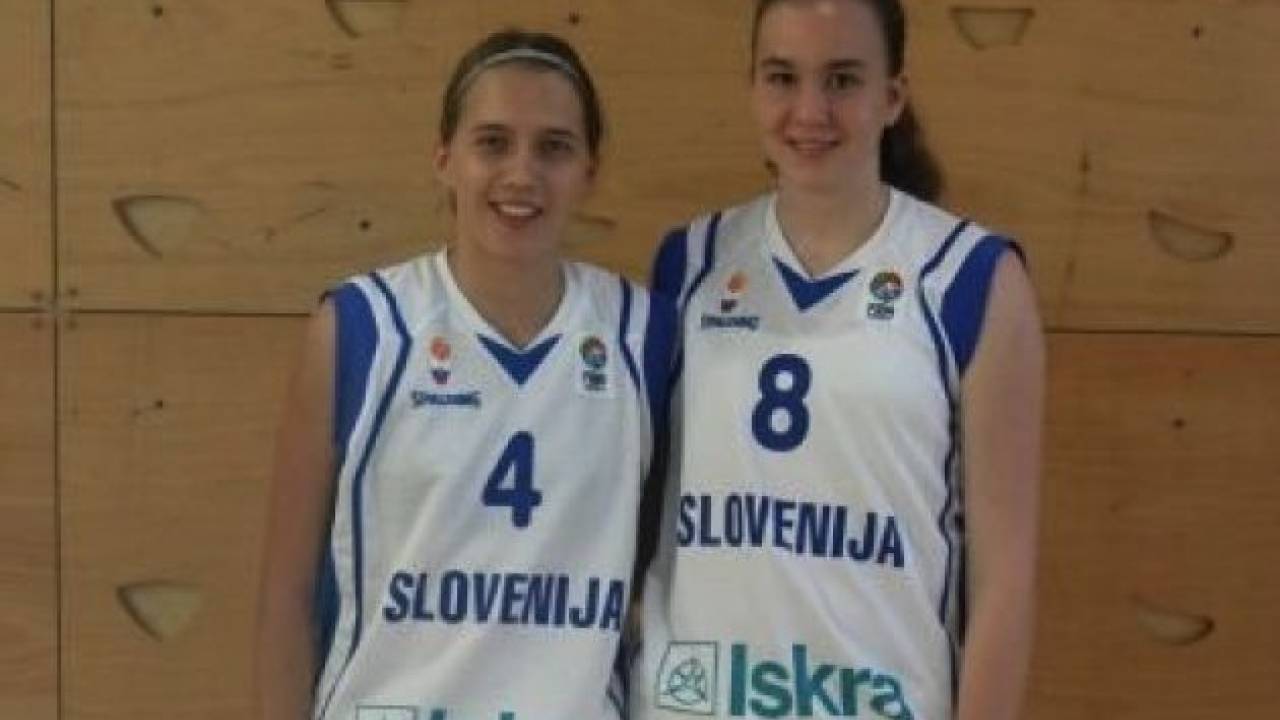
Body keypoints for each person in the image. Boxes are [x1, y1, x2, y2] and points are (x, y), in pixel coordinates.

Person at [631, 1, 1043, 718]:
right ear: (752, 88)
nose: (809, 111)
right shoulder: (689, 264)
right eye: (782, 77)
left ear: (893, 97)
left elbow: (1005, 578)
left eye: (843, 80)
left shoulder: (969, 278)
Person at [255, 29, 676, 720]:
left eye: (554, 147)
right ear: (444, 159)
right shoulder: (362, 329)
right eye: (493, 143)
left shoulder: (644, 337)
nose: (521, 174)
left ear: (590, 171)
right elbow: (287, 595)